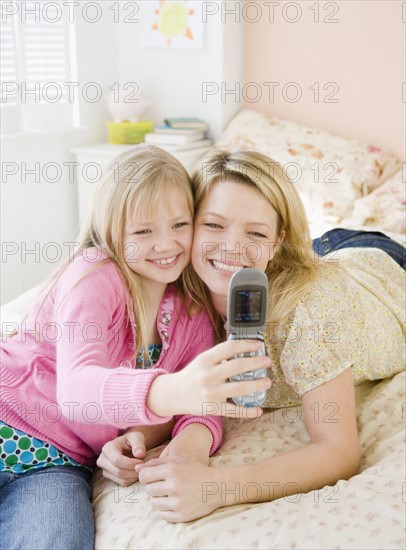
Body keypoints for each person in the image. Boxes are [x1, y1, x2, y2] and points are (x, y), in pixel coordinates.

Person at [0, 145, 272, 549]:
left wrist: (185, 440)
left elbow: (201, 405)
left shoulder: (191, 313)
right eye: (143, 231)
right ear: (113, 231)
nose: (165, 244)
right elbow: (77, 390)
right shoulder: (95, 274)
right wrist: (173, 391)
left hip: (54, 464)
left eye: (179, 225)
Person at [125, 148, 405, 523]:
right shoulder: (178, 287)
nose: (231, 246)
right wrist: (137, 439)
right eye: (213, 224)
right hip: (307, 256)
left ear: (276, 241)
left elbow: (338, 450)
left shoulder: (311, 309)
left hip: (382, 267)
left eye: (255, 232)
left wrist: (216, 488)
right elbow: (179, 388)